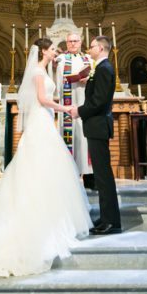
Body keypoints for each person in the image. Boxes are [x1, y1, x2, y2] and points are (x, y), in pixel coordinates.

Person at [0, 38, 91, 277]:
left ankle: (49, 214)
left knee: (45, 168)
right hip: (41, 120)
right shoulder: (36, 71)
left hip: (45, 120)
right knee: (37, 165)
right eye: (53, 49)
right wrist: (66, 109)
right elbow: (43, 100)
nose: (56, 52)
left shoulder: (45, 69)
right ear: (43, 50)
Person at [71, 35, 122, 234]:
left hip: (98, 125)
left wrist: (79, 111)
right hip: (96, 125)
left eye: (91, 47)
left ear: (100, 48)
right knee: (101, 175)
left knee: (103, 175)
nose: (88, 49)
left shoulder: (104, 68)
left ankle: (111, 221)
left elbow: (99, 101)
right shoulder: (99, 68)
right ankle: (107, 217)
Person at [54, 32, 93, 186]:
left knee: (85, 138)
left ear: (81, 42)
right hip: (69, 105)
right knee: (70, 136)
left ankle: (89, 174)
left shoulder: (88, 59)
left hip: (85, 104)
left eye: (75, 41)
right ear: (66, 43)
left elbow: (94, 77)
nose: (73, 44)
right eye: (70, 42)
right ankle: (70, 173)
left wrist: (88, 79)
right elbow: (56, 78)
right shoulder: (61, 59)